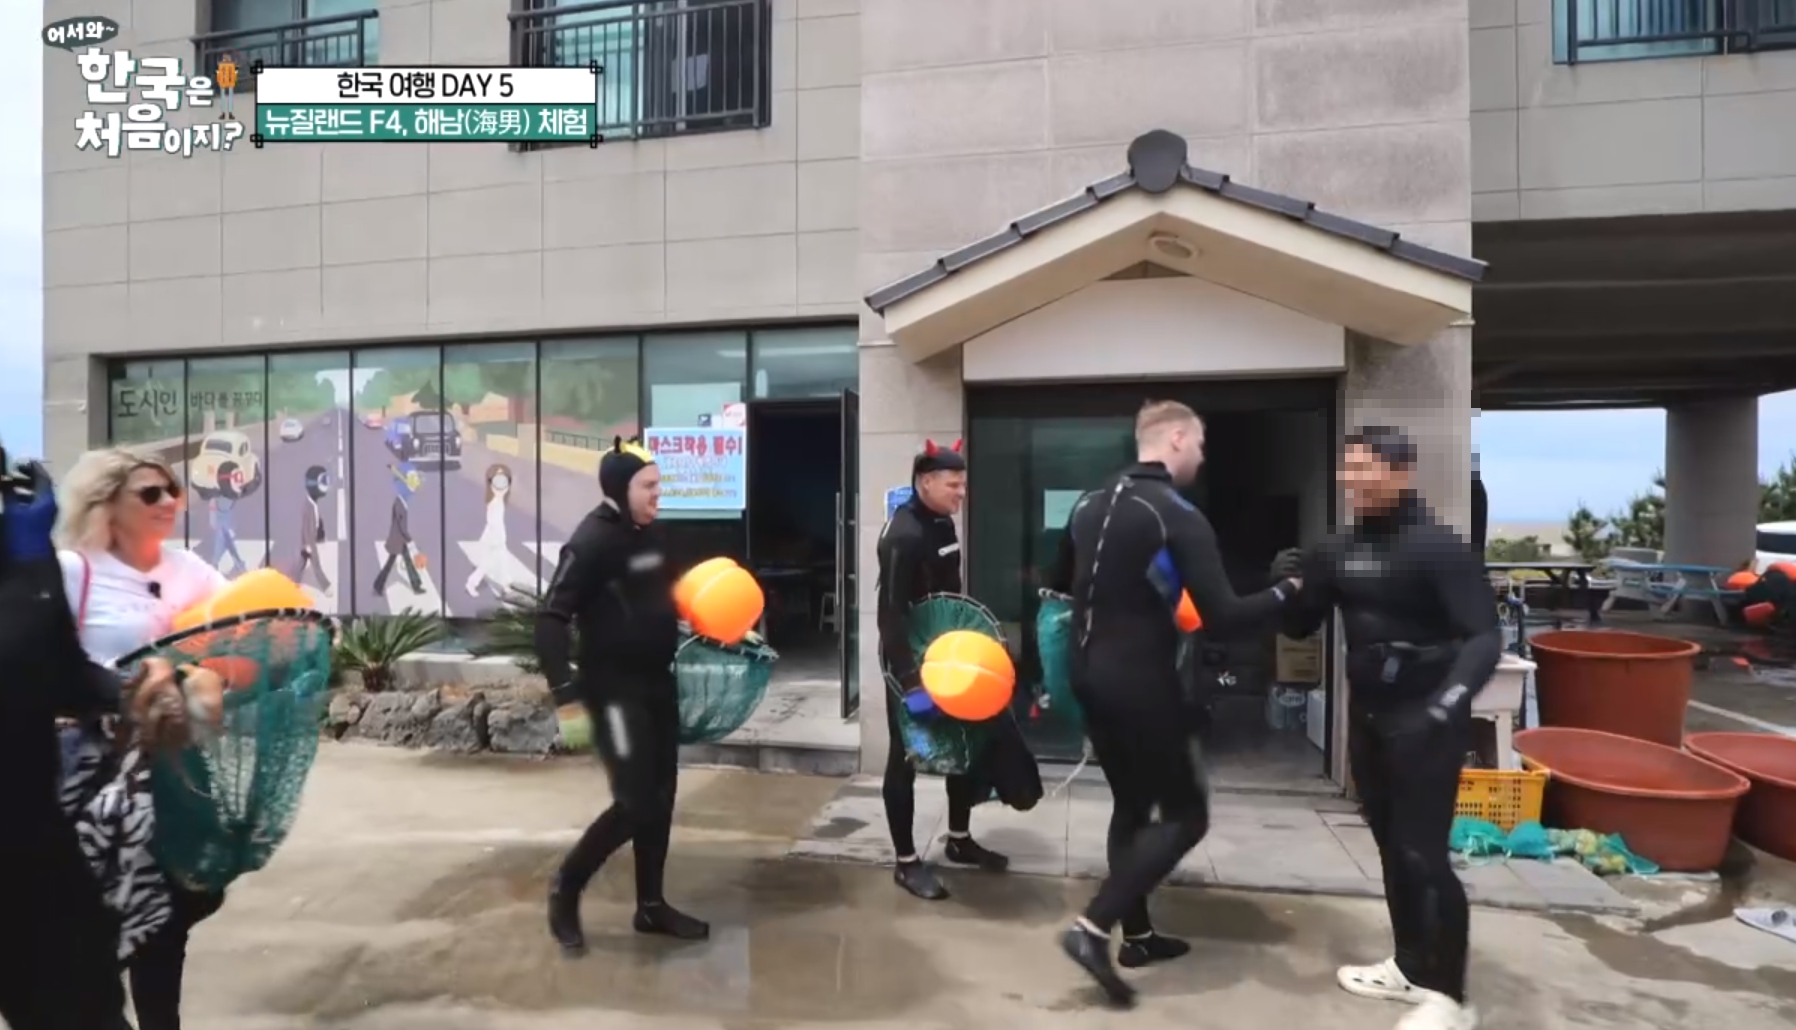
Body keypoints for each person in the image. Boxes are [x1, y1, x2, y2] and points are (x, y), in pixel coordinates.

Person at [1054, 401, 1301, 1006]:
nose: (1202, 456)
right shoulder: (1176, 513)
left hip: (1087, 674)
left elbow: (1065, 585)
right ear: (1177, 438)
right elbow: (1225, 616)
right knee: (1188, 815)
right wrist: (1290, 589)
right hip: (1142, 683)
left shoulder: (1087, 505)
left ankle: (1137, 936)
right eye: (1201, 444)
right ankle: (1093, 928)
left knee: (1132, 805)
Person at [1281, 427, 1501, 1030]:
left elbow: (1484, 636)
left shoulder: (1437, 546)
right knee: (1390, 846)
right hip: (1371, 719)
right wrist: (1288, 583)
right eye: (1346, 469)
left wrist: (1448, 702)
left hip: (1427, 718)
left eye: (1365, 468)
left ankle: (1450, 998)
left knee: (1423, 854)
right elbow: (1300, 626)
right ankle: (1409, 967)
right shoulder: (1337, 548)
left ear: (1401, 473)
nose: (1352, 480)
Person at [0, 447, 200, 1030]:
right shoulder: (35, 563)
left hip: (31, 835)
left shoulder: (26, 560)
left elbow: (60, 669)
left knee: (84, 1002)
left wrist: (141, 690)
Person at [55, 448, 235, 1030]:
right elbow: (42, 660)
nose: (168, 502)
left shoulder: (190, 569)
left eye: (172, 490)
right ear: (106, 503)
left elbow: (244, 628)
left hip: (173, 763)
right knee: (99, 911)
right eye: (149, 493)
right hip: (97, 769)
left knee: (174, 907)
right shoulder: (73, 570)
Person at [537, 438, 708, 954]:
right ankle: (566, 887)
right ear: (619, 488)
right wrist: (565, 696)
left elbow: (669, 595)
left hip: (657, 683)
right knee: (635, 802)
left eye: (658, 484)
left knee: (662, 796)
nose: (658, 493)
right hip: (612, 692)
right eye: (648, 485)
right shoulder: (591, 542)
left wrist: (714, 619)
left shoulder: (653, 535)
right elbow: (550, 619)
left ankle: (650, 906)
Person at [877, 439, 1009, 901]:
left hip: (948, 650)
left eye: (963, 485)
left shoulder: (942, 522)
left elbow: (949, 593)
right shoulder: (903, 534)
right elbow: (890, 615)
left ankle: (958, 839)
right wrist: (910, 682)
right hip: (908, 658)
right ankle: (906, 862)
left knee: (966, 741)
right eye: (953, 485)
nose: (961, 493)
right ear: (926, 482)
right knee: (904, 757)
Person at [466, 464, 515, 598]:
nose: (501, 484)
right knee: (487, 564)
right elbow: (492, 522)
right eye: (497, 479)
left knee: (503, 560)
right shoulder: (494, 501)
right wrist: (497, 537)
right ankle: (471, 583)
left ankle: (506, 585)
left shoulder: (498, 499)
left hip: (498, 536)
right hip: (494, 537)